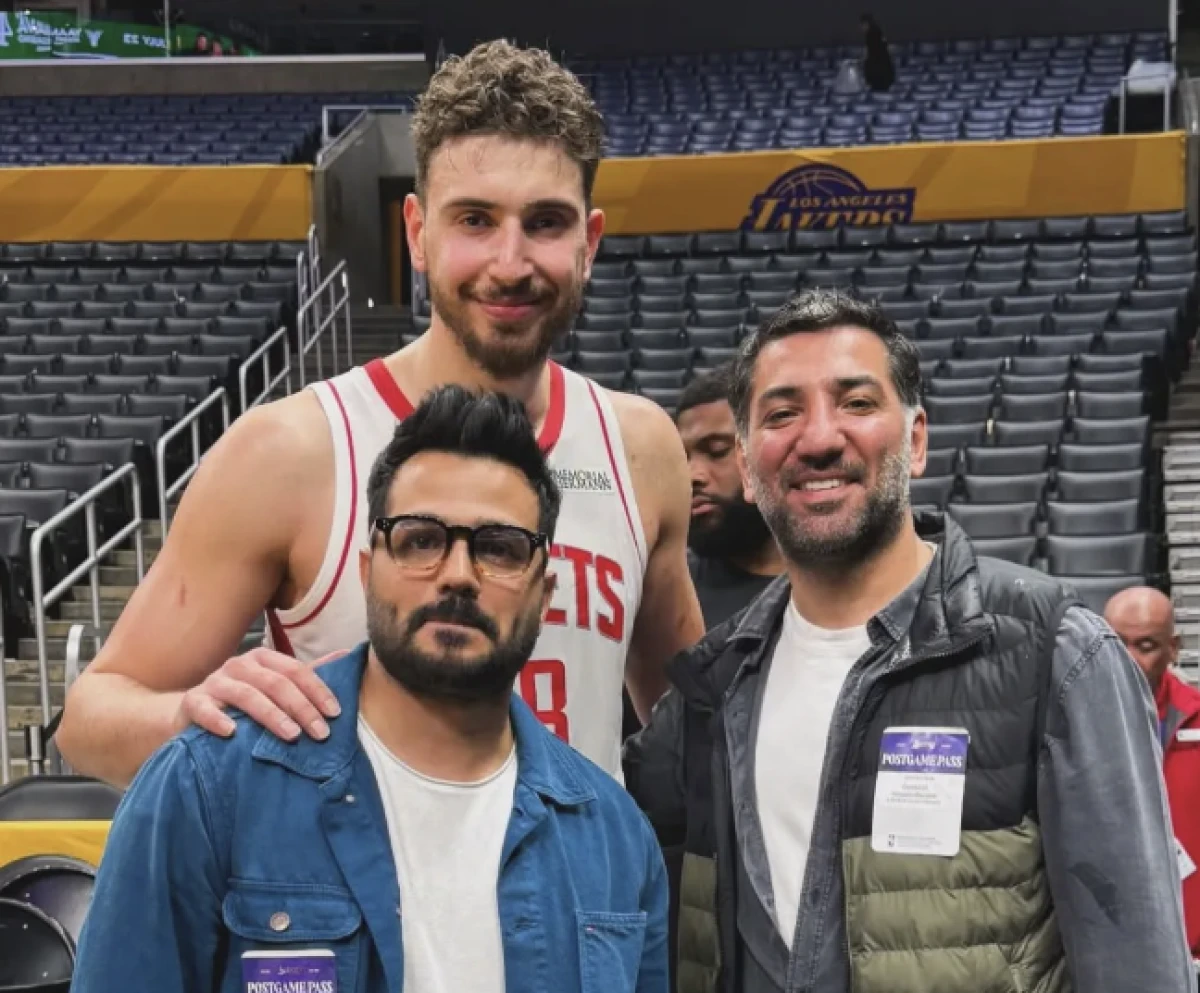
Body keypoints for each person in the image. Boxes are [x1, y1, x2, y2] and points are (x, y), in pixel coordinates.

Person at [57, 39, 703, 787]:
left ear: (589, 242)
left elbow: (697, 725)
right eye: (475, 220)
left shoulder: (641, 446)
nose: (510, 262)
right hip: (354, 866)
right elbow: (90, 720)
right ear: (417, 233)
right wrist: (193, 720)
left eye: (546, 222)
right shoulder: (290, 450)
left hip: (577, 864)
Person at [625, 289, 1195, 993]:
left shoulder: (1056, 652)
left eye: (857, 402)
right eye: (782, 413)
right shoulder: (708, 690)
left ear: (916, 440)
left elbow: (1138, 963)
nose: (819, 437)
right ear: (747, 465)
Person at [71, 387, 669, 993]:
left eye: (499, 549)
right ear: (367, 572)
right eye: (420, 540)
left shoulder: (617, 838)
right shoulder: (206, 788)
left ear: (544, 594)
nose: (458, 575)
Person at [1106, 586, 1200, 957]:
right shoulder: (1064, 726)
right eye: (1116, 644)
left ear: (1173, 648)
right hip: (1107, 946)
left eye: (1145, 646)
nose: (1128, 660)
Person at [677, 364, 782, 629]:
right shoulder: (674, 599)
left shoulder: (844, 585)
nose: (692, 475)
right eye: (681, 459)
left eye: (716, 451)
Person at [860, 14, 895, 93]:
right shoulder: (880, 34)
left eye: (862, 25)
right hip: (885, 75)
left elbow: (868, 54)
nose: (861, 28)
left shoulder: (870, 36)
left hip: (877, 74)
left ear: (866, 24)